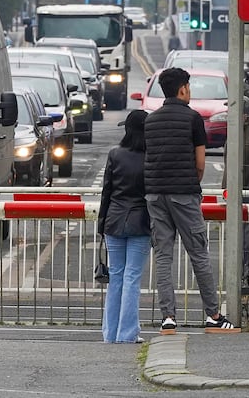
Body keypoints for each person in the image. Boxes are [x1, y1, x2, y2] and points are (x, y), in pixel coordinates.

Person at [144, 67, 235, 334]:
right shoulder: (193, 119)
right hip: (184, 193)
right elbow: (199, 163)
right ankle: (214, 315)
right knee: (198, 253)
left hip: (155, 193)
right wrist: (193, 182)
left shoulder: (150, 121)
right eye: (189, 87)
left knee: (163, 255)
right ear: (183, 88)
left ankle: (168, 318)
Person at [97, 109, 150, 344]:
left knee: (116, 277)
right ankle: (127, 334)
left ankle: (110, 334)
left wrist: (101, 224)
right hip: (141, 222)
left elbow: (106, 191)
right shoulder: (151, 157)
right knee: (132, 278)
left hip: (114, 221)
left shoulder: (115, 154)